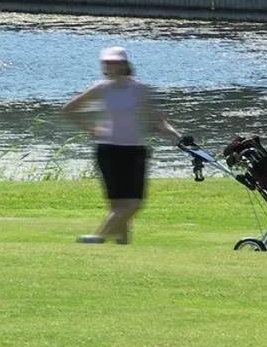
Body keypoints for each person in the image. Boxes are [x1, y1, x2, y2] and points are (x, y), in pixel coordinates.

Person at [62, 46, 182, 245]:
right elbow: (69, 109)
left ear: (124, 64)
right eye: (106, 62)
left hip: (135, 149)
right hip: (108, 149)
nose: (109, 66)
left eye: (114, 62)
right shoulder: (101, 88)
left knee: (134, 203)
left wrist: (176, 135)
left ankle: (98, 237)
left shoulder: (140, 89)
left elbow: (157, 120)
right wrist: (91, 129)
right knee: (117, 204)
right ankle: (121, 245)